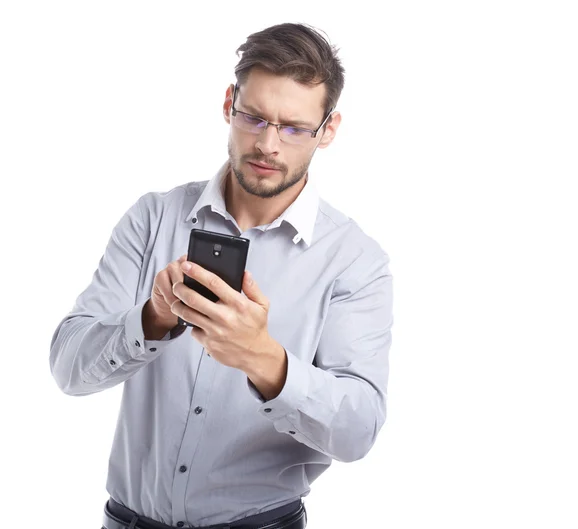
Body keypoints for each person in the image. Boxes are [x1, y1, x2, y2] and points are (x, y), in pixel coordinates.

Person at [50, 22, 394, 529]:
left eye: (294, 128)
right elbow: (67, 369)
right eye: (253, 118)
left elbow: (357, 431)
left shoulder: (354, 259)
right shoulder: (154, 218)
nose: (268, 145)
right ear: (229, 103)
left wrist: (265, 361)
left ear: (329, 130)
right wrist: (152, 318)